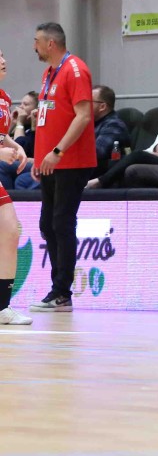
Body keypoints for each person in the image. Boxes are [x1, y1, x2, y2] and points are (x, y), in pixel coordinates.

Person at [28, 22, 96, 313]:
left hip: (71, 161)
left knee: (61, 223)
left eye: (37, 41)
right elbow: (49, 119)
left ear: (50, 44)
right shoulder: (49, 73)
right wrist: (39, 157)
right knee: (47, 225)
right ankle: (58, 290)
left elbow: (83, 116)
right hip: (51, 163)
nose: (34, 46)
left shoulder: (75, 69)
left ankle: (62, 293)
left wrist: (57, 152)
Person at [88, 84, 158, 188]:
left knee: (137, 155)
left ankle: (100, 182)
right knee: (124, 159)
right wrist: (149, 154)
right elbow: (152, 148)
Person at [0, 49, 33, 324]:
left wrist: (15, 146)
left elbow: (1, 137)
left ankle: (2, 307)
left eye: (2, 55)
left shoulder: (4, 98)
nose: (3, 60)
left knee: (10, 230)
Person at [90, 86, 133, 173]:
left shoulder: (114, 125)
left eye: (88, 102)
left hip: (104, 175)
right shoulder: (91, 123)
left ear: (102, 106)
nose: (83, 106)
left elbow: (97, 153)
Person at [0, 90, 37, 191]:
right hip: (20, 161)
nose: (21, 107)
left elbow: (19, 145)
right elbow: (3, 139)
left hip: (33, 162)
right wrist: (12, 123)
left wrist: (20, 123)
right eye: (21, 103)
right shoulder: (21, 126)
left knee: (3, 165)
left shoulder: (33, 127)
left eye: (26, 104)